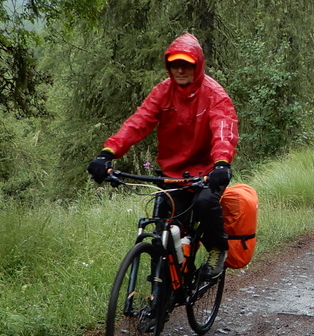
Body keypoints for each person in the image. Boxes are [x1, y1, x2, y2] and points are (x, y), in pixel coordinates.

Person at [87, 33, 239, 276]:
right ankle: (160, 293)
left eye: (186, 65)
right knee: (163, 231)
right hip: (171, 173)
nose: (180, 71)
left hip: (207, 172)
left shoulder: (214, 95)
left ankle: (216, 250)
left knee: (204, 203)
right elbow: (138, 123)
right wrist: (107, 153)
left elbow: (223, 130)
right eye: (174, 65)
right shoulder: (163, 92)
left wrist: (221, 164)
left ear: (197, 66)